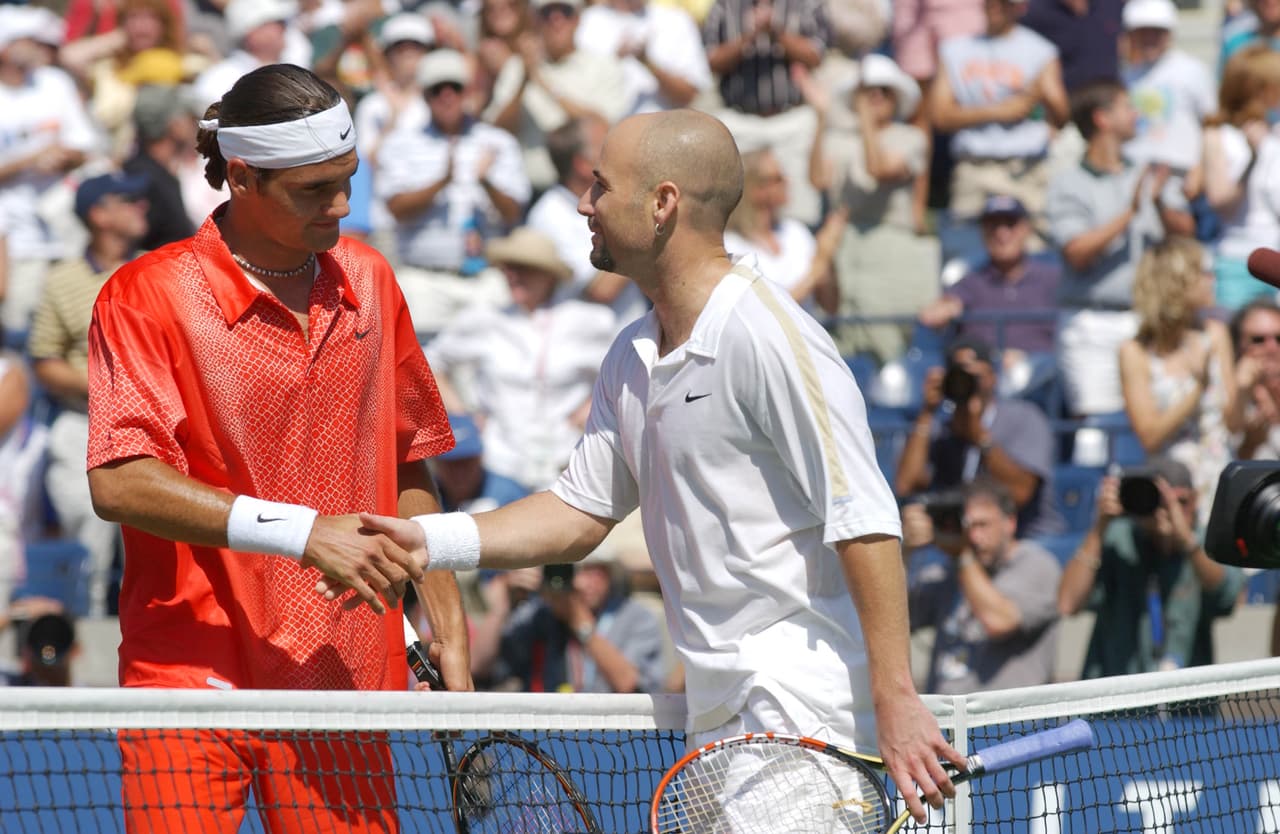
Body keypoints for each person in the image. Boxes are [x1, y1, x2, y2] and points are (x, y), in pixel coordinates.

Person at [358, 108, 965, 825]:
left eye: (600, 187)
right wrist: (429, 542)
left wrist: (896, 699)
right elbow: (579, 513)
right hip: (712, 722)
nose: (584, 205)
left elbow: (863, 519)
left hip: (802, 725)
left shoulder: (769, 336)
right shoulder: (631, 353)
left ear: (663, 203)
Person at [85, 64, 471, 833]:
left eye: (348, 180)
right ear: (243, 176)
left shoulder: (371, 277)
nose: (341, 206)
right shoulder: (144, 294)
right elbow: (120, 483)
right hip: (187, 673)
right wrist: (301, 533)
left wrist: (446, 627)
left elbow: (406, 462)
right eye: (313, 189)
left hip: (344, 676)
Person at [30, 172, 151, 618]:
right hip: (82, 421)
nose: (142, 207)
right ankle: (87, 631)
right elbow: (45, 359)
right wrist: (109, 384)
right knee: (88, 537)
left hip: (153, 425)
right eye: (129, 200)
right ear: (99, 215)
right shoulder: (63, 279)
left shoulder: (156, 269)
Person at [424, 226, 616, 491]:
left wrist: (592, 408)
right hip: (500, 460)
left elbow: (625, 371)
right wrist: (460, 414)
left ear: (549, 276)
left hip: (568, 459)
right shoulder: (486, 319)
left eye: (524, 268)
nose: (513, 275)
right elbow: (428, 361)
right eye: (508, 267)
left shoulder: (589, 321)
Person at [1047, 78, 1194, 416]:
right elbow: (1077, 253)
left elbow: (1186, 233)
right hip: (1092, 324)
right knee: (1097, 431)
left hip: (1148, 318)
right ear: (1102, 118)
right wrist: (1130, 212)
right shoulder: (1068, 183)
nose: (1135, 114)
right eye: (1127, 107)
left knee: (1155, 421)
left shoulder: (1146, 173)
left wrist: (1156, 204)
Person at [379, 48, 530, 336]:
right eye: (438, 89)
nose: (447, 96)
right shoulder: (401, 144)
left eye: (455, 88)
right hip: (424, 280)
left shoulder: (497, 142)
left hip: (484, 278)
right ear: (425, 96)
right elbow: (396, 208)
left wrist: (486, 183)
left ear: (468, 92)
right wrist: (442, 182)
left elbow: (513, 212)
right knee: (423, 371)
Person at [801, 52, 938, 363]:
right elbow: (817, 178)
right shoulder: (840, 139)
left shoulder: (910, 138)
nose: (874, 97)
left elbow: (879, 169)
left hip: (892, 251)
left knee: (888, 343)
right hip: (846, 248)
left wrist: (862, 116)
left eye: (883, 91)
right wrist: (822, 118)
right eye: (868, 91)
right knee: (842, 342)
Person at [1057, 457, 1244, 676]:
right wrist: (1100, 527)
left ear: (1195, 502)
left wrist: (1187, 542)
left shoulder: (1206, 544)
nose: (1167, 511)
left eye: (1179, 502)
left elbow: (1228, 596)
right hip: (1117, 700)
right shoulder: (1119, 538)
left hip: (1186, 705)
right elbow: (1068, 603)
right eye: (1159, 500)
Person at [1118, 236, 1239, 526]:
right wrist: (1197, 388)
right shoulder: (1134, 352)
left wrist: (1246, 389)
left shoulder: (1216, 334)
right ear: (1176, 283)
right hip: (1173, 489)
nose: (1212, 279)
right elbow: (1150, 436)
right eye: (1202, 273)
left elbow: (1233, 423)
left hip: (1221, 477)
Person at [902, 479, 1061, 694]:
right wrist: (903, 552)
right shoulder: (947, 571)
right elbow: (893, 620)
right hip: (947, 722)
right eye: (967, 526)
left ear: (1010, 522)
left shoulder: (1037, 565)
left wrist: (962, 555)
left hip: (1013, 723)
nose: (974, 537)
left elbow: (998, 621)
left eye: (983, 525)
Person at [931, 0, 1069, 247]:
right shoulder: (955, 50)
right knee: (967, 257)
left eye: (1003, 3)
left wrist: (1044, 95)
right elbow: (940, 116)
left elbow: (1061, 114)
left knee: (1033, 257)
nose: (995, 7)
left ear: (1018, 7)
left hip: (1025, 170)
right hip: (974, 168)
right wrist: (999, 111)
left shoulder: (1041, 51)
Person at [895, 336, 1062, 537]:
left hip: (1024, 539)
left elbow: (1020, 493)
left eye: (976, 376)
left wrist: (979, 436)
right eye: (961, 376)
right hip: (956, 542)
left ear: (993, 377)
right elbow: (906, 486)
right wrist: (927, 412)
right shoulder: (941, 429)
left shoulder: (1025, 417)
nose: (969, 383)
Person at [0, 9, 98, 337]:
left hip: (62, 226)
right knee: (19, 328)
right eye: (29, 40)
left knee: (73, 324)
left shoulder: (54, 83)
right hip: (12, 237)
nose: (40, 48)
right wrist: (30, 160)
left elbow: (84, 145)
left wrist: (63, 157)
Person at [476, 542, 668, 693]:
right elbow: (479, 667)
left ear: (611, 575)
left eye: (596, 571)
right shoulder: (538, 614)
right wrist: (504, 602)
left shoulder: (636, 617)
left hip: (614, 733)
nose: (583, 582)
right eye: (575, 570)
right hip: (545, 730)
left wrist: (579, 622)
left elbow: (628, 684)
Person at [918, 195, 1060, 360]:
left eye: (1010, 224)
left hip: (1046, 377)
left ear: (1026, 229)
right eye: (993, 225)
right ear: (982, 231)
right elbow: (941, 308)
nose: (1001, 233)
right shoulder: (971, 282)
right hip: (985, 377)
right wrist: (945, 308)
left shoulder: (1055, 278)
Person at [1200, 45, 1280, 310]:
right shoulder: (1218, 134)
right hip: (1238, 260)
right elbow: (1221, 200)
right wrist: (1253, 158)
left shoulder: (1276, 132)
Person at [723, 147, 842, 316]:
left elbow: (831, 305)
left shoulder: (797, 232)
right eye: (777, 178)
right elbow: (765, 314)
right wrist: (819, 264)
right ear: (754, 188)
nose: (787, 182)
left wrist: (828, 257)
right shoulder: (731, 245)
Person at [124, 83, 199, 251]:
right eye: (188, 118)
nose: (194, 125)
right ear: (174, 125)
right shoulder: (142, 180)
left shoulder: (156, 172)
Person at [1231, 298, 1280, 460]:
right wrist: (1250, 444)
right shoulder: (1226, 393)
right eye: (1258, 340)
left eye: (1279, 338)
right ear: (1239, 345)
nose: (1272, 348)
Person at [3, 612, 79, 687]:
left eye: (60, 637)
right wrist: (21, 612)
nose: (49, 652)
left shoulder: (86, 693)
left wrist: (18, 613)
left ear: (75, 650)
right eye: (40, 638)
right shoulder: (8, 683)